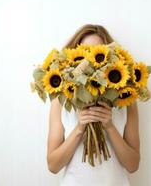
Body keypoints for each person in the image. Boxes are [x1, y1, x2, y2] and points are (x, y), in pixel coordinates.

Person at [46, 24, 140, 186]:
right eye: (85, 53)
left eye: (98, 54)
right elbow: (53, 165)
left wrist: (110, 126)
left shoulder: (127, 99)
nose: (91, 62)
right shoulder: (61, 101)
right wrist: (80, 128)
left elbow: (133, 165)